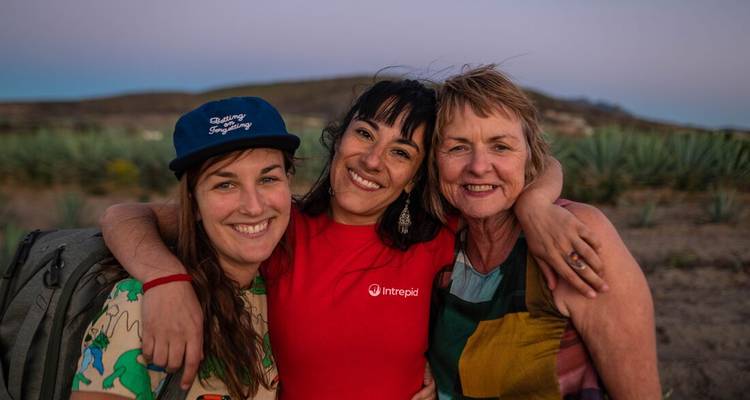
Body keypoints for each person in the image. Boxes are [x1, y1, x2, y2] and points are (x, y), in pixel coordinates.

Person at [99, 79, 608, 399]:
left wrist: (536, 203)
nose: (372, 161)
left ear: (414, 177)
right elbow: (125, 215)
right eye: (365, 134)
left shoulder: (436, 240)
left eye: (401, 152)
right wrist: (165, 279)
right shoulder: (275, 225)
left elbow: (522, 169)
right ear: (339, 137)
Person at [426, 65, 661, 399]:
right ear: (434, 160)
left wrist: (533, 205)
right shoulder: (437, 242)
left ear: (529, 156)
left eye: (501, 147)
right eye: (458, 147)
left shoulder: (574, 235)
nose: (478, 166)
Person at [71, 96, 300, 400]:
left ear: (288, 182)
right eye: (225, 185)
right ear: (192, 204)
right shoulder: (142, 304)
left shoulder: (278, 285)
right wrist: (166, 280)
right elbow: (121, 213)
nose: (254, 206)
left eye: (268, 178)